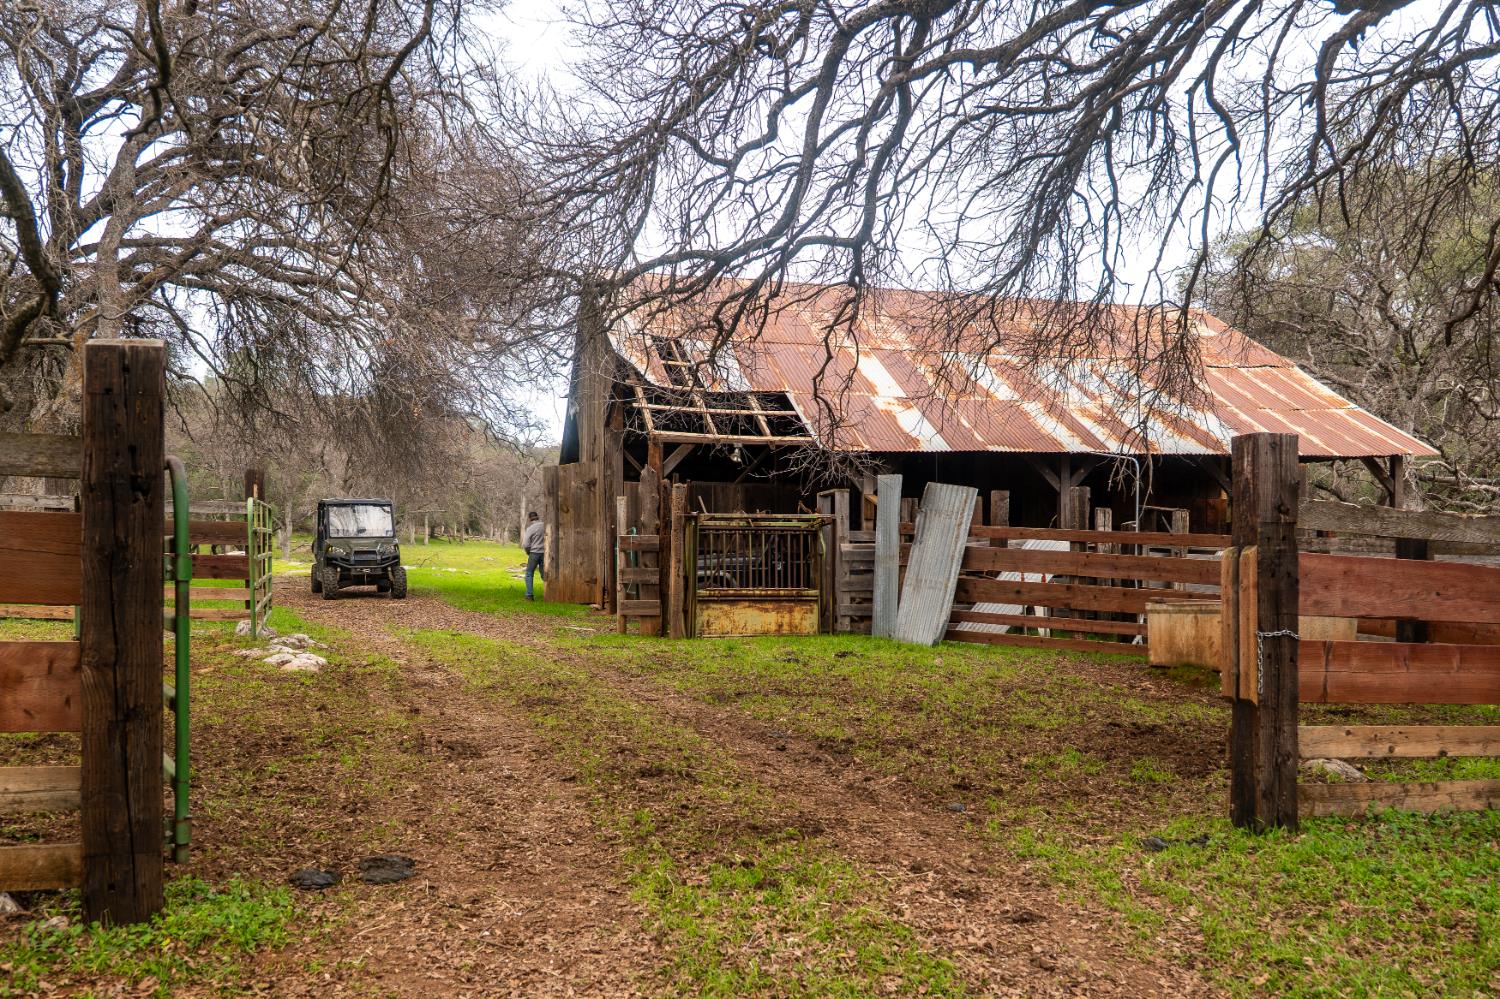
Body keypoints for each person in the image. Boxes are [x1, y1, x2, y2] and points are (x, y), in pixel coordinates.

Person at [521, 511, 546, 601]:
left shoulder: (530, 528)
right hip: (545, 553)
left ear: (529, 519)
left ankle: (529, 595)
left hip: (534, 553)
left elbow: (526, 544)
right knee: (544, 574)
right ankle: (551, 593)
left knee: (529, 573)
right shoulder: (544, 526)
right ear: (537, 517)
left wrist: (528, 552)